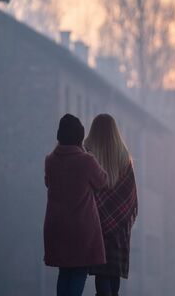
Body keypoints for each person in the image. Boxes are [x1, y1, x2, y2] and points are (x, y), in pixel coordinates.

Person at [44, 114, 109, 296]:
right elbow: (102, 181)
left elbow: (48, 182)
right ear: (80, 137)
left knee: (64, 272)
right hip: (81, 228)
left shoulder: (50, 161)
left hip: (57, 226)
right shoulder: (86, 161)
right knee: (79, 271)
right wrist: (91, 155)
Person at [84, 114, 139, 296]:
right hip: (119, 231)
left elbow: (85, 190)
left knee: (101, 275)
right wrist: (120, 220)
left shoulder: (88, 155)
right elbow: (130, 197)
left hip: (95, 226)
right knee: (113, 278)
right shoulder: (124, 158)